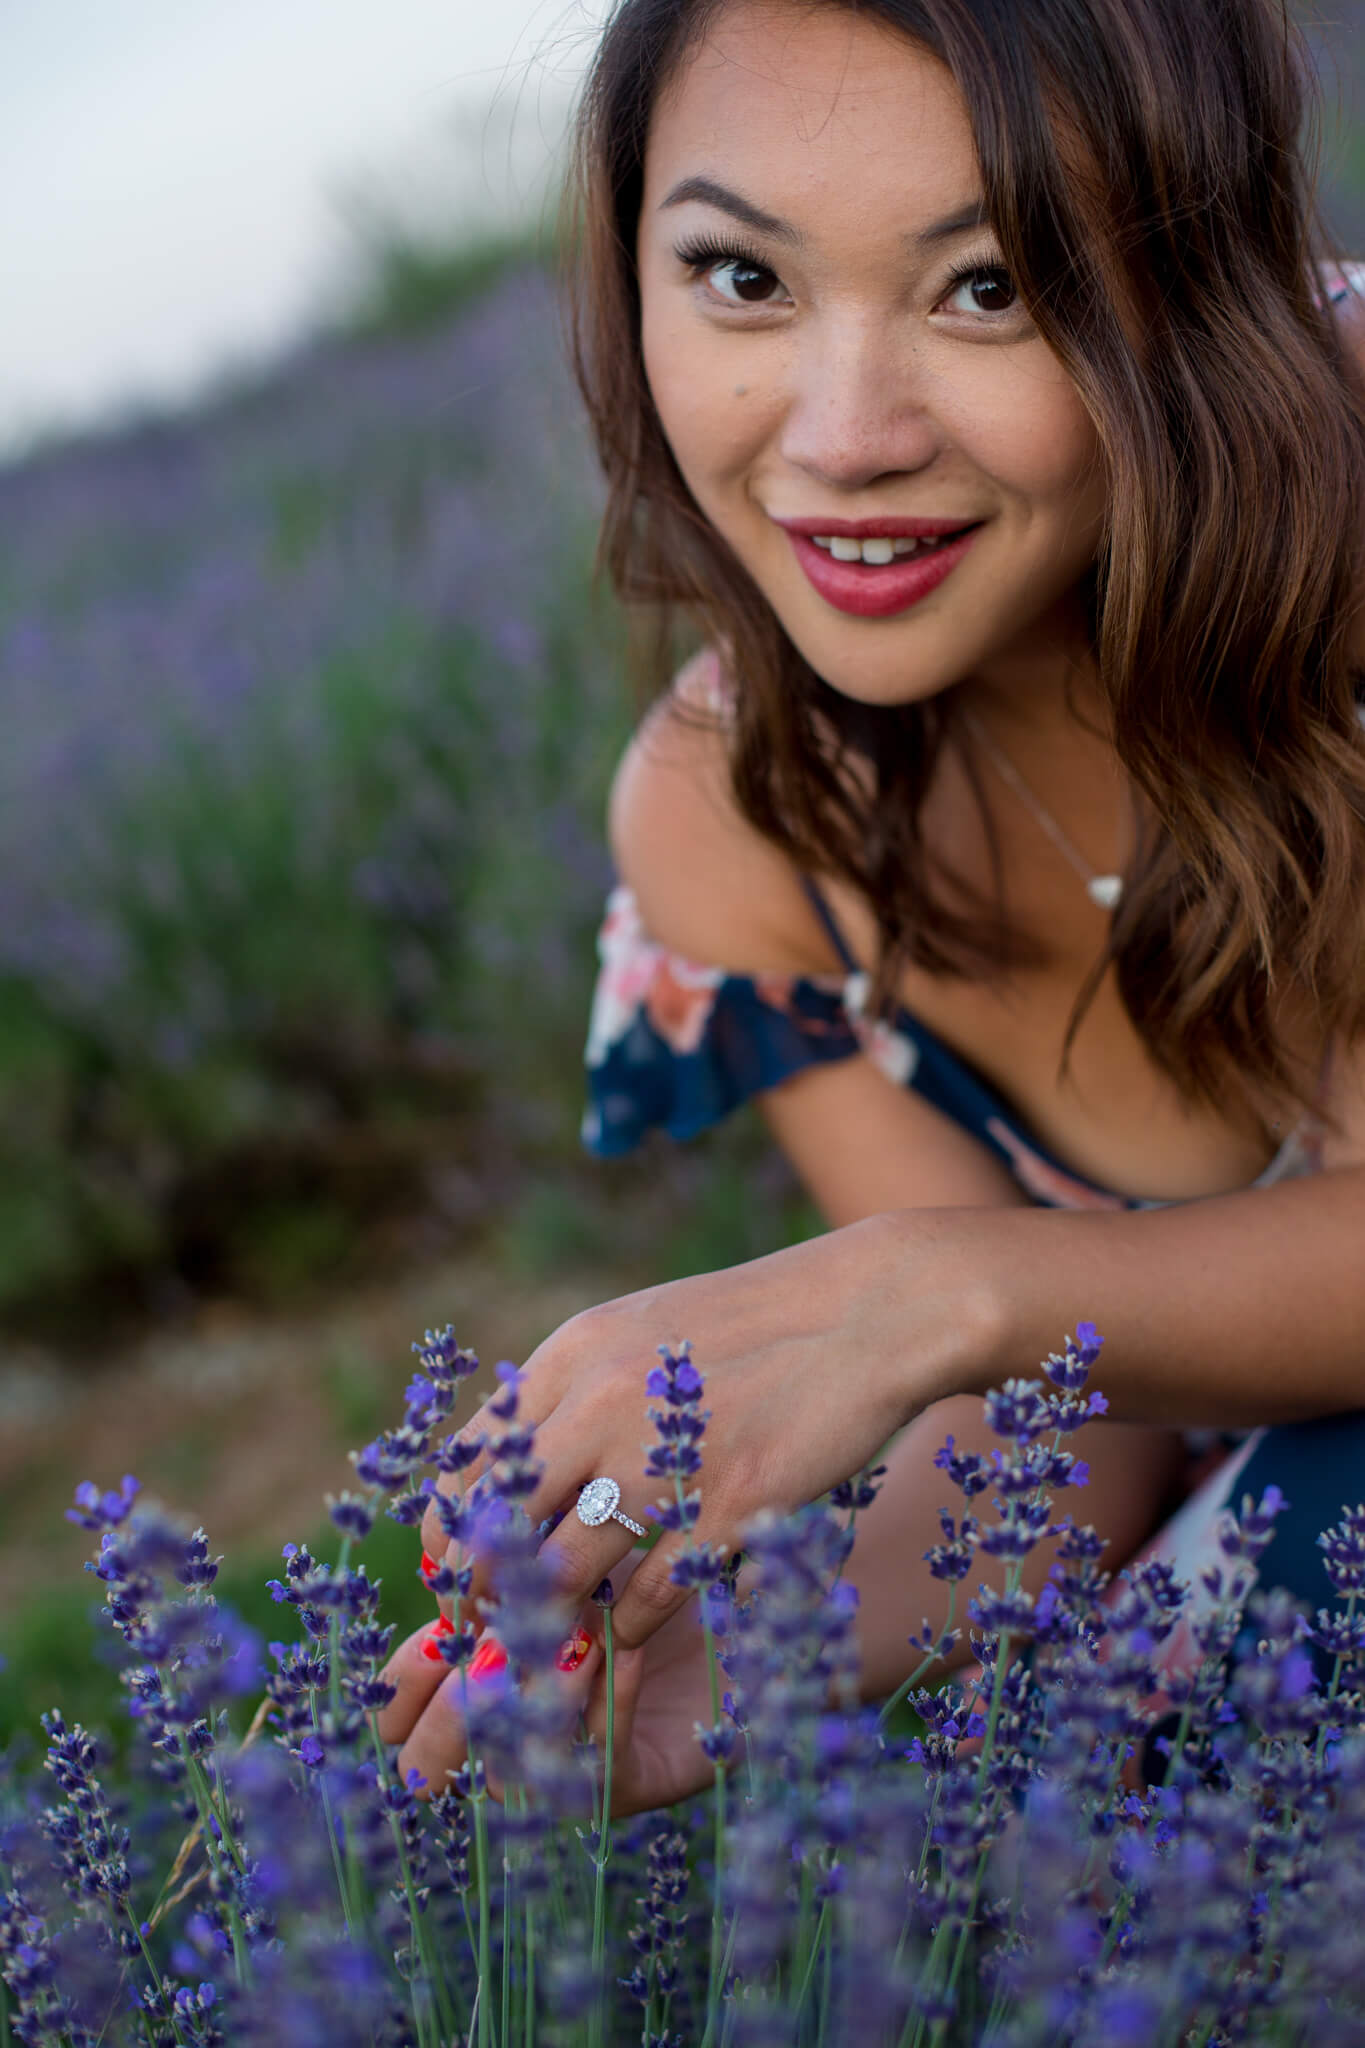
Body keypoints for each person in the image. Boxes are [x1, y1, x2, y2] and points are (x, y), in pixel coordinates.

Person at [379, 0, 1365, 1811]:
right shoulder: (736, 811)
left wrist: (922, 1294)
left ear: (1194, 269)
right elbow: (1074, 1432)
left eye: (986, 285)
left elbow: (983, 1312)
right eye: (740, 277)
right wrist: (769, 1648)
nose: (841, 440)